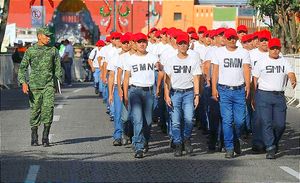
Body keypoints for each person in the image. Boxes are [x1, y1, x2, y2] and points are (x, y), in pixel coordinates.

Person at [252, 38, 297, 159]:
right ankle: (270, 147)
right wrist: (253, 96)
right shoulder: (261, 62)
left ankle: (274, 142)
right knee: (266, 122)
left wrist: (293, 79)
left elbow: (290, 72)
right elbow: (255, 79)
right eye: (273, 48)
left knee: (280, 124)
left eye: (277, 48)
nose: (275, 50)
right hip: (263, 95)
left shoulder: (284, 61)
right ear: (269, 49)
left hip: (279, 96)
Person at [18, 26, 62, 147]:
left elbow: (58, 68)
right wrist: (23, 82)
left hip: (48, 86)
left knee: (48, 110)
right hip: (34, 87)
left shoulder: (53, 50)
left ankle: (45, 137)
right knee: (35, 111)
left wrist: (57, 82)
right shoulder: (30, 51)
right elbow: (22, 68)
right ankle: (34, 136)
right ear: (39, 36)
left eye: (49, 36)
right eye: (46, 36)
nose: (48, 38)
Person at [211, 28, 251, 158]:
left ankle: (235, 139)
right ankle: (229, 147)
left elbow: (246, 70)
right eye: (229, 38)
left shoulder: (243, 52)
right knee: (227, 120)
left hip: (239, 90)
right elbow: (215, 71)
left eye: (234, 38)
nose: (232, 40)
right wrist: (214, 88)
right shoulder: (218, 52)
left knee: (240, 121)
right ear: (225, 39)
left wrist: (248, 86)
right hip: (224, 90)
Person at [123, 33, 161, 158]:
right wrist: (125, 95)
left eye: (144, 42)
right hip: (135, 91)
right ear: (135, 44)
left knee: (148, 121)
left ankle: (145, 141)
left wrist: (159, 69)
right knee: (138, 120)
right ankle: (138, 146)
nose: (142, 44)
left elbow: (161, 71)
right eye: (139, 42)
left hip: (149, 91)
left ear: (147, 43)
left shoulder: (153, 57)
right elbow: (126, 78)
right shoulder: (130, 59)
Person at [164, 33, 201, 157]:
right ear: (177, 45)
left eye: (185, 43)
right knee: (175, 122)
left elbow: (196, 78)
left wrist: (197, 95)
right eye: (180, 43)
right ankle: (178, 144)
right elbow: (167, 80)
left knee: (189, 119)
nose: (183, 46)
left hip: (189, 93)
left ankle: (186, 138)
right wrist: (167, 95)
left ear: (188, 45)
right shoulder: (171, 60)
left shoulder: (193, 59)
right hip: (175, 93)